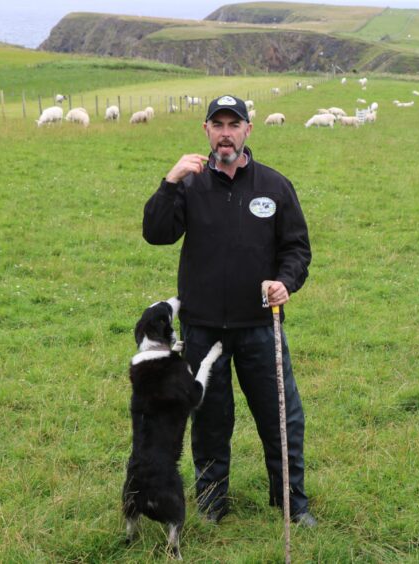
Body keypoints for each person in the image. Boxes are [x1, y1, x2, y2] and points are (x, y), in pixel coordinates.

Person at [141, 94, 315, 527]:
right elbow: (156, 233)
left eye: (233, 124)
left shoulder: (274, 186)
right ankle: (213, 503)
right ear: (206, 131)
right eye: (217, 124)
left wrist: (285, 282)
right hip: (203, 330)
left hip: (260, 325)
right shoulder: (190, 185)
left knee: (281, 417)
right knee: (209, 421)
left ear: (247, 131)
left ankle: (292, 501)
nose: (225, 133)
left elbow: (296, 248)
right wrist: (169, 181)